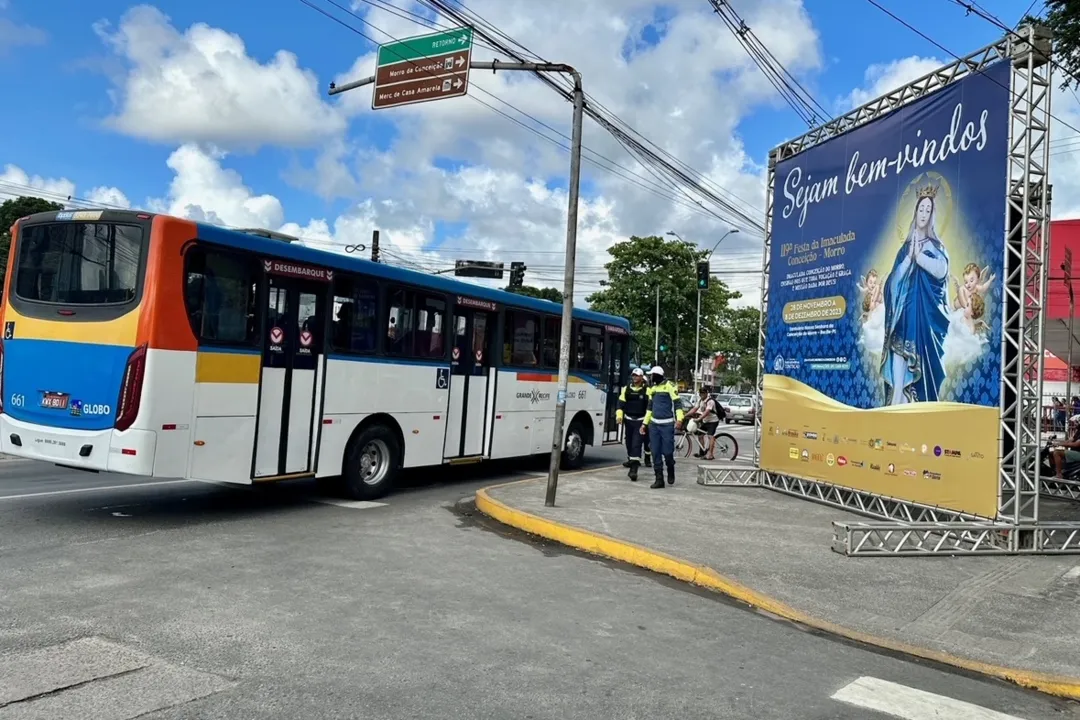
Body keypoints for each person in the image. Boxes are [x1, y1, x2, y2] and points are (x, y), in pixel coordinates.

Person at [880, 180, 950, 405]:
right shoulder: (905, 247)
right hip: (902, 318)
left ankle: (912, 412)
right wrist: (909, 259)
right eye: (921, 208)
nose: (924, 213)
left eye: (928, 210)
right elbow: (891, 284)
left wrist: (920, 259)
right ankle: (895, 409)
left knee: (918, 370)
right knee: (899, 368)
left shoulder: (935, 246)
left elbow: (942, 271)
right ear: (915, 211)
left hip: (922, 323)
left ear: (932, 216)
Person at [641, 366, 684, 489]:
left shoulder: (670, 386)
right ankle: (659, 479)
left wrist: (679, 419)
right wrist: (644, 424)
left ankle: (671, 468)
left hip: (667, 425)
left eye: (652, 375)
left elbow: (677, 403)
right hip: (654, 425)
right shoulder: (652, 389)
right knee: (655, 452)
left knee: (667, 452)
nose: (650, 377)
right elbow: (649, 408)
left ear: (657, 375)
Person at [616, 368, 651, 481]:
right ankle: (632, 461)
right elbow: (620, 404)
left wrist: (646, 423)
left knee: (636, 444)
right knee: (629, 443)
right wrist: (619, 416)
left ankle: (633, 470)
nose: (635, 377)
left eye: (637, 375)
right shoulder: (626, 389)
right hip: (628, 420)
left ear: (641, 377)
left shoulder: (647, 390)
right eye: (633, 375)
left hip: (640, 421)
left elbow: (650, 407)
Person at [686, 387, 720, 460]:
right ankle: (702, 453)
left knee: (710, 436)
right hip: (706, 421)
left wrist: (699, 419)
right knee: (700, 435)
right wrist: (686, 415)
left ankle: (710, 454)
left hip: (713, 421)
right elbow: (694, 409)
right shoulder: (700, 401)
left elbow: (707, 412)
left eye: (703, 393)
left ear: (706, 393)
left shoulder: (710, 401)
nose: (702, 395)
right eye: (700, 393)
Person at [1053, 414, 1080, 479]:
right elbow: (1069, 440)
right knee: (1052, 452)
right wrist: (1057, 443)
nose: (1075, 424)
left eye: (1076, 422)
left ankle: (1059, 475)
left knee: (1057, 453)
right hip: (1075, 452)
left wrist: (1060, 444)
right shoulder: (1078, 432)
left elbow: (1075, 444)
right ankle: (1057, 470)